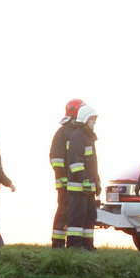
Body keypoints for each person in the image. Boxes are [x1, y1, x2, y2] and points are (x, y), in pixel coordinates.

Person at [49, 98, 84, 248]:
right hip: (65, 180)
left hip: (76, 179)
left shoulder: (78, 131)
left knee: (74, 211)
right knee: (63, 209)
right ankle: (57, 242)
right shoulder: (63, 132)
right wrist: (62, 177)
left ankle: (73, 243)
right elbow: (56, 158)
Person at [65, 105, 100, 250]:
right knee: (77, 218)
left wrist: (97, 182)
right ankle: (74, 246)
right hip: (78, 186)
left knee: (90, 217)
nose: (94, 122)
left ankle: (87, 245)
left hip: (88, 187)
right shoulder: (77, 136)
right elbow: (75, 162)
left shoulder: (88, 137)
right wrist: (84, 179)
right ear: (85, 120)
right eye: (92, 119)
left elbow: (92, 164)